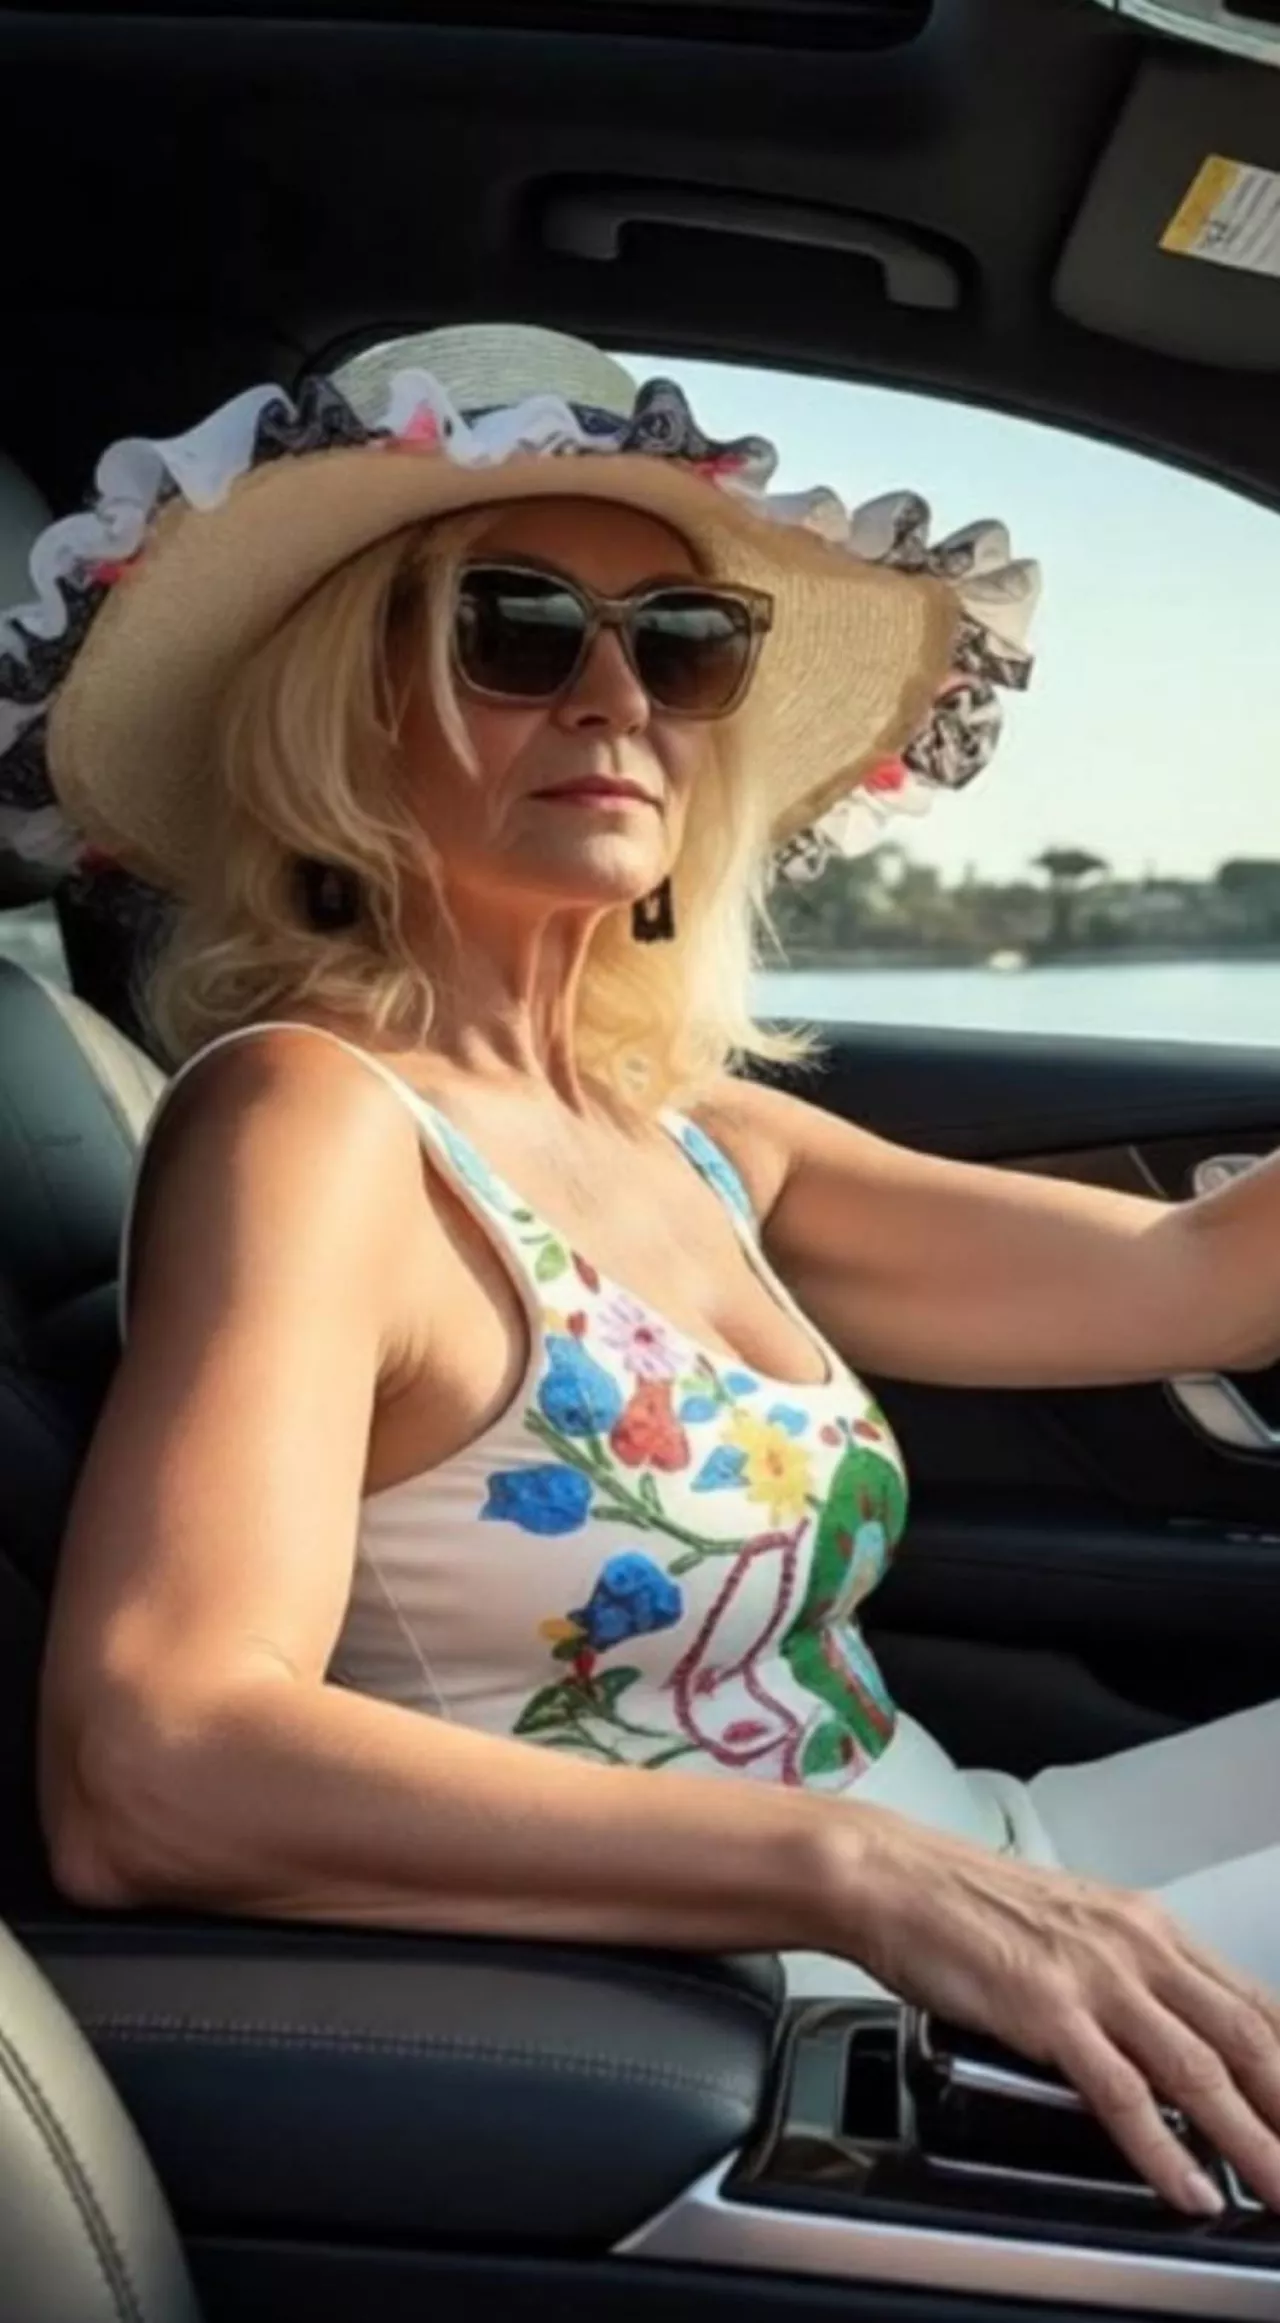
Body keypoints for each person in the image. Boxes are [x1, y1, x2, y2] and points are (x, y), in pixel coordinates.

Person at [4, 322, 1280, 2221]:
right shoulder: (314, 1123)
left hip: (991, 1858)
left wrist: (928, 1863)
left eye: (682, 644)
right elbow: (154, 1763)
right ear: (337, 708)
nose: (617, 697)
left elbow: (1198, 1276)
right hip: (826, 2011)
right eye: (518, 629)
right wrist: (851, 1872)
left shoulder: (689, 1129)